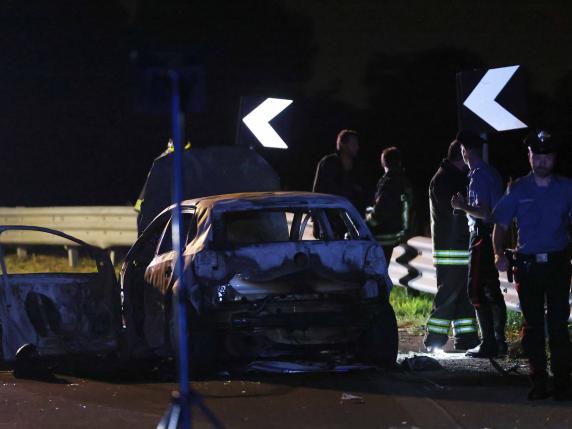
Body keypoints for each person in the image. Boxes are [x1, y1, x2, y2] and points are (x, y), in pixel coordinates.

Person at [492, 130, 572, 401]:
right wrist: (498, 253)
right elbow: (500, 225)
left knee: (559, 325)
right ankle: (538, 380)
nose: (541, 161)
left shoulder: (567, 188)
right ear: (529, 157)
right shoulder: (517, 189)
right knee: (534, 325)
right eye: (536, 156)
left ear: (554, 158)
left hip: (558, 264)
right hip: (528, 268)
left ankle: (562, 382)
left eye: (546, 156)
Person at [450, 130, 507, 358]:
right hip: (491, 234)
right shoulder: (491, 172)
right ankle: (499, 341)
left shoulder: (479, 175)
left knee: (475, 289)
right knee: (492, 289)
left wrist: (461, 206)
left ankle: (488, 343)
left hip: (481, 236)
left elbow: (483, 212)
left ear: (465, 151)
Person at [424, 140, 479, 352]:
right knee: (448, 294)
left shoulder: (450, 177)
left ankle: (466, 337)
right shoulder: (445, 180)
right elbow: (454, 213)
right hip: (452, 249)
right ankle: (434, 338)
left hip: (457, 246)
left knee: (463, 295)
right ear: (461, 155)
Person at [365, 146, 413, 262]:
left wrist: (367, 219)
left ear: (383, 163)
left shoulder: (388, 183)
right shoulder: (405, 181)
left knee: (377, 273)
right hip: (400, 235)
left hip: (385, 236)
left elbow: (380, 211)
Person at [312, 129, 364, 210]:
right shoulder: (328, 163)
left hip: (350, 215)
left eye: (357, 144)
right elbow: (319, 191)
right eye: (353, 144)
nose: (357, 147)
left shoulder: (358, 167)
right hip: (329, 215)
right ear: (342, 144)